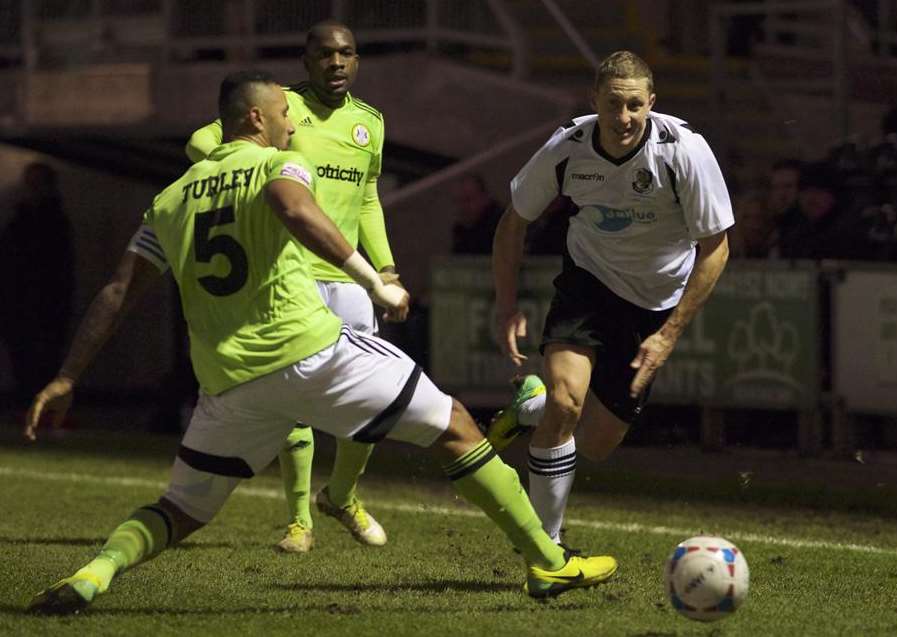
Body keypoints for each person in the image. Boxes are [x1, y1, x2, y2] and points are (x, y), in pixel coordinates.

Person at [24, 71, 617, 615]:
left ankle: (95, 573)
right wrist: (374, 283)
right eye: (284, 112)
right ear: (256, 118)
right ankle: (548, 561)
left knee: (180, 509)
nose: (291, 122)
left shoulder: (172, 199)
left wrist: (67, 377)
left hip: (230, 383)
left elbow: (116, 292)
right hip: (312, 352)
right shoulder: (279, 166)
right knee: (456, 426)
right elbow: (294, 209)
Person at [488, 51, 734, 546]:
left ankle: (529, 409)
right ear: (594, 100)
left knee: (596, 444)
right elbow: (513, 223)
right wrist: (507, 305)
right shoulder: (568, 146)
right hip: (588, 284)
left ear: (652, 103)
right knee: (567, 401)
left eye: (635, 106)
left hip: (654, 304)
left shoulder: (684, 150)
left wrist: (668, 334)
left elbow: (716, 247)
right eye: (613, 105)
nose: (623, 119)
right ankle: (546, 549)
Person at [186, 20, 396, 553]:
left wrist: (386, 268)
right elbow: (201, 141)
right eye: (324, 54)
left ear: (358, 60)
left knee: (369, 401)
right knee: (293, 406)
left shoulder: (370, 123)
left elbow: (368, 199)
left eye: (346, 53)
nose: (337, 63)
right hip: (290, 274)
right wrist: (235, 173)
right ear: (306, 61)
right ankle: (299, 520)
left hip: (348, 280)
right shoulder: (283, 107)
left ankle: (342, 494)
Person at [0, 162, 74, 411]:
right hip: (20, 307)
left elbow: (60, 271)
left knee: (44, 364)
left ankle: (42, 414)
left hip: (44, 308)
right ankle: (29, 413)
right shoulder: (20, 222)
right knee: (24, 365)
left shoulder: (51, 223)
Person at [451, 174, 503, 255]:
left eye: (468, 200)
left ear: (484, 197)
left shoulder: (501, 226)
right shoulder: (461, 231)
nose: (463, 207)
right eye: (458, 201)